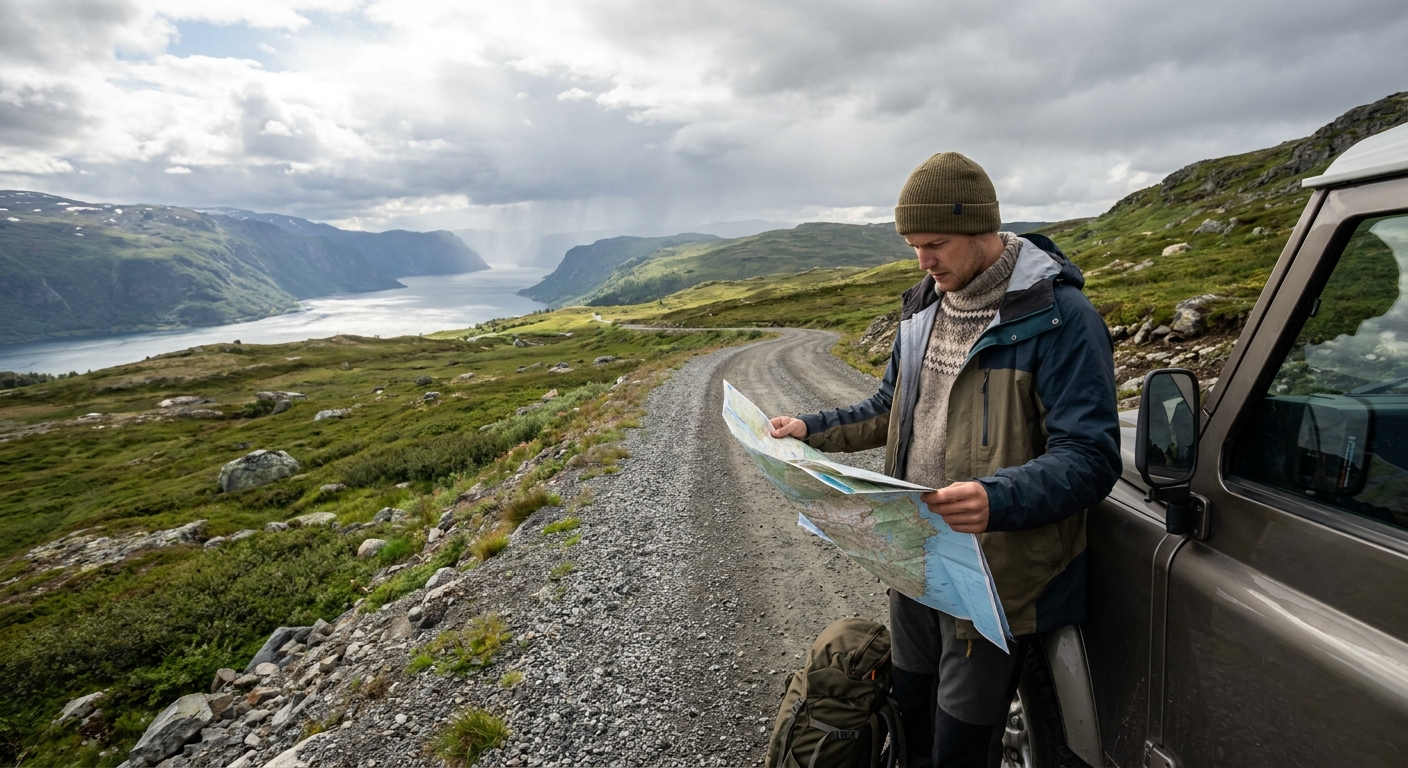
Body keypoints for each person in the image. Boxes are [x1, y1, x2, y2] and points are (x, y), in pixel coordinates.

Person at [768, 152, 1121, 768]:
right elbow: (890, 407)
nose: (924, 262)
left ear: (985, 230)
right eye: (912, 246)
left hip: (994, 582)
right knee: (909, 711)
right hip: (914, 557)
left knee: (960, 742)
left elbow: (1091, 457)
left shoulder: (1061, 320)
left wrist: (997, 498)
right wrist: (810, 429)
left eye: (935, 243)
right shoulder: (923, 308)